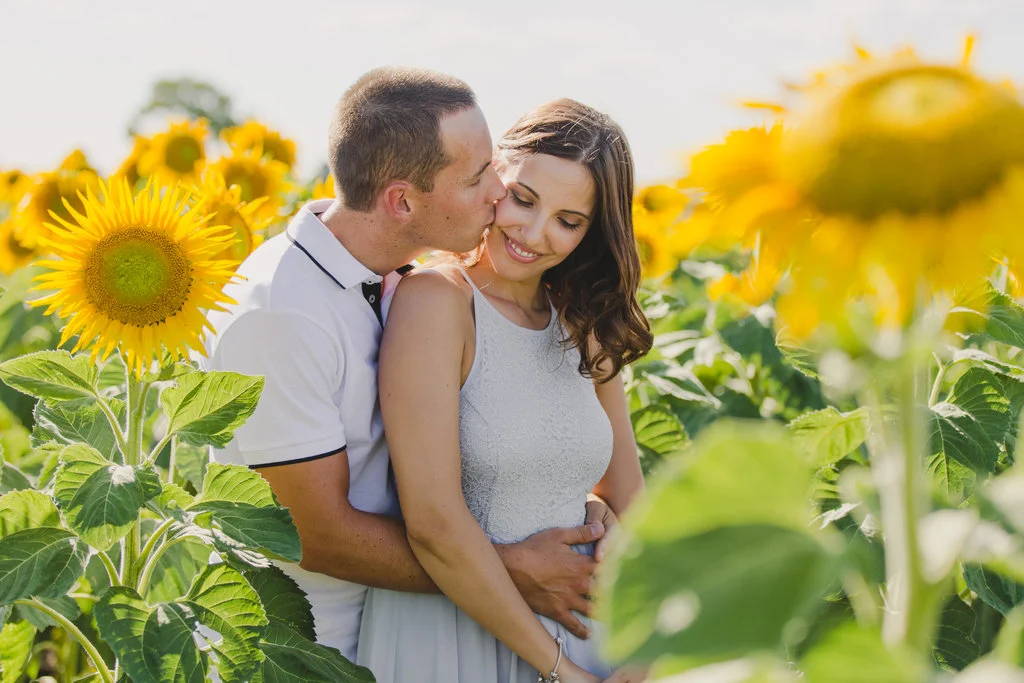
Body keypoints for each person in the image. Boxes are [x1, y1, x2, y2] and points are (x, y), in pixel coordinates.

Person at [203, 68, 617, 662]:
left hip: (406, 620)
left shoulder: (394, 277)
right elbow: (311, 533)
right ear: (401, 201)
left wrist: (578, 501)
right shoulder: (282, 314)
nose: (498, 192)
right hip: (309, 648)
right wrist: (510, 568)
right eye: (479, 177)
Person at [356, 99, 653, 683]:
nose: (534, 235)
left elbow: (629, 497)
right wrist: (561, 671)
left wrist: (645, 651)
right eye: (524, 199)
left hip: (592, 640)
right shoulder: (437, 301)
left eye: (569, 221)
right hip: (460, 637)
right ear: (494, 176)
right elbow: (434, 523)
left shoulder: (584, 321)